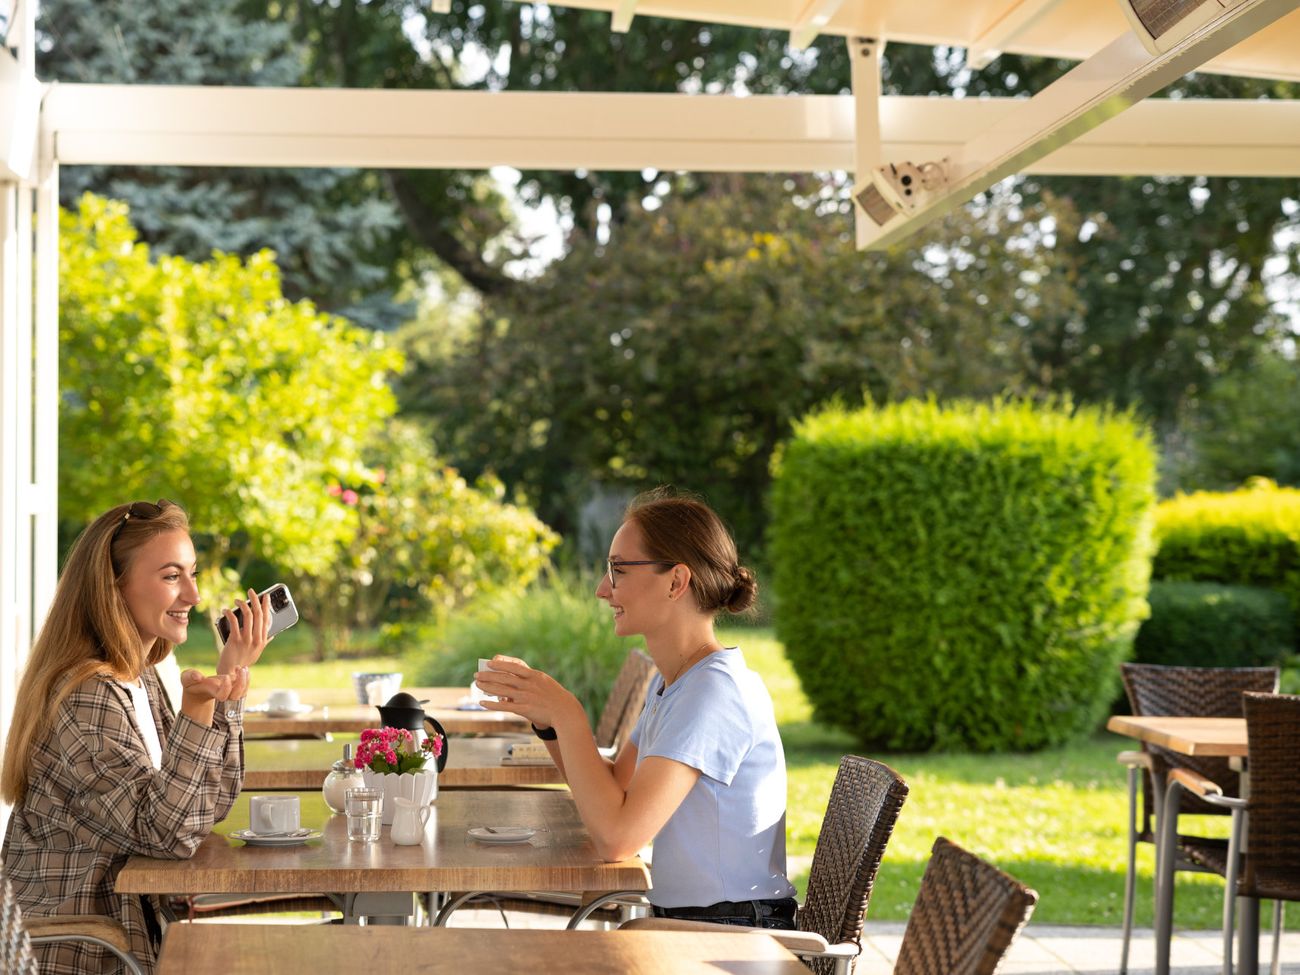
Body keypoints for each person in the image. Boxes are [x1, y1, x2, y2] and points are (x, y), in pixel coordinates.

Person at [477, 489, 797, 929]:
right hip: (696, 925)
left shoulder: (714, 692)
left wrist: (569, 714)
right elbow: (611, 789)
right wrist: (549, 723)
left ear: (676, 582)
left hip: (730, 937)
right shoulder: (676, 683)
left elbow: (617, 839)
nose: (602, 589)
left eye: (618, 570)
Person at [0, 500, 271, 974]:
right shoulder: (87, 698)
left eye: (192, 573)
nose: (194, 594)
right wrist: (198, 709)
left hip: (130, 939)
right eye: (171, 576)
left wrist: (228, 682)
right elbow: (168, 834)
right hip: (85, 953)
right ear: (113, 587)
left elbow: (205, 808)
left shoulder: (137, 677)